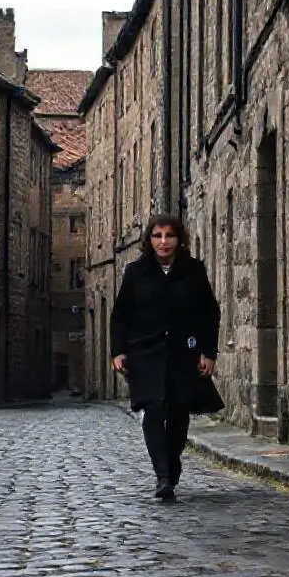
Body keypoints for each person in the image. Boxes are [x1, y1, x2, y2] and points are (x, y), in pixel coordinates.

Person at [110, 214, 220, 502]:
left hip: (183, 352)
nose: (163, 242)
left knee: (179, 411)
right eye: (157, 236)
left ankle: (172, 463)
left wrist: (208, 352)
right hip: (145, 352)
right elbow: (121, 313)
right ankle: (163, 476)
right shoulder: (136, 272)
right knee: (155, 409)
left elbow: (209, 312)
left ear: (178, 239)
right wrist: (118, 351)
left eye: (169, 236)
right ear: (149, 239)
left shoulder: (193, 271)